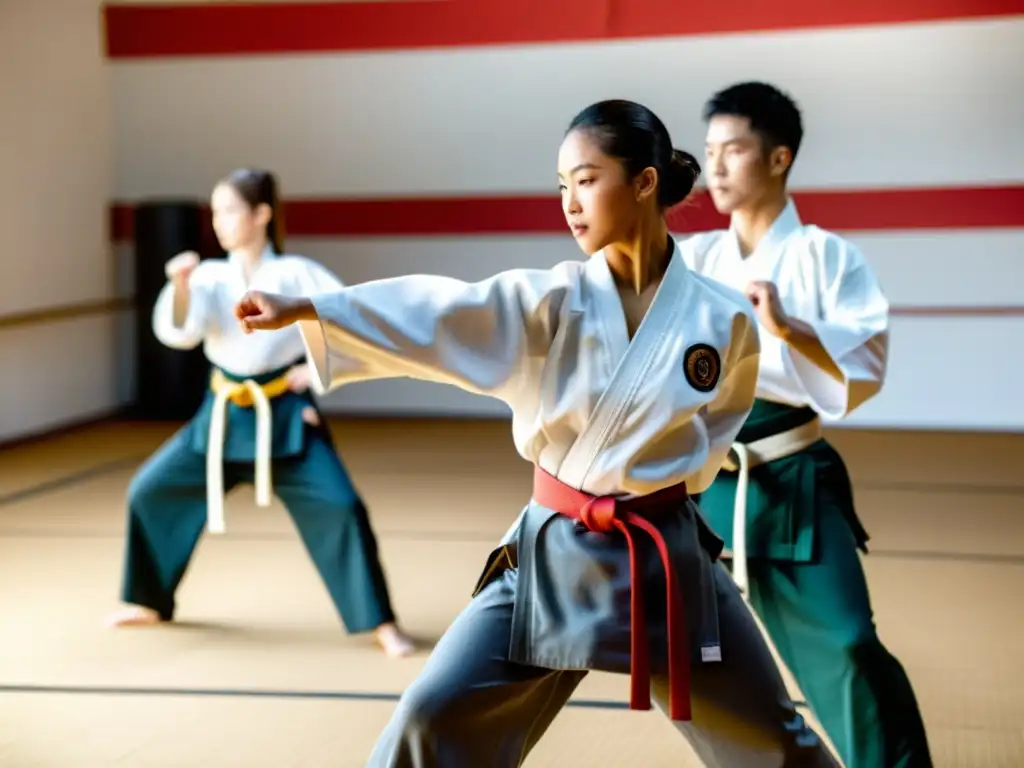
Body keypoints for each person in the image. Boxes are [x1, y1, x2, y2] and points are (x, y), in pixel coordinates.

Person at [234, 101, 838, 767]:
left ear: (644, 183)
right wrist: (315, 309)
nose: (570, 203)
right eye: (561, 186)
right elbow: (439, 313)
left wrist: (659, 482)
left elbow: (720, 421)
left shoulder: (721, 318)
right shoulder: (546, 301)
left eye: (586, 180)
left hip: (665, 555)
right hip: (555, 553)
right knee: (428, 716)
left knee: (775, 741)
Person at [679, 81, 933, 767]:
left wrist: (790, 327)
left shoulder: (827, 256)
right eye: (709, 154)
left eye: (734, 150)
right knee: (699, 664)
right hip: (706, 481)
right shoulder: (696, 258)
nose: (718, 169)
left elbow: (864, 363)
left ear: (780, 157)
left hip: (791, 472)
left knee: (847, 642)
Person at [106, 168, 415, 659]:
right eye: (215, 211)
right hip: (223, 412)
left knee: (341, 506)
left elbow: (351, 320)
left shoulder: (297, 273)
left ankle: (380, 621)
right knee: (150, 490)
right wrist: (181, 285)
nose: (220, 221)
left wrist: (311, 376)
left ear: (261, 215)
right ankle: (148, 601)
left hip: (285, 415)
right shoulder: (209, 275)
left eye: (229, 209)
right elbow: (181, 332)